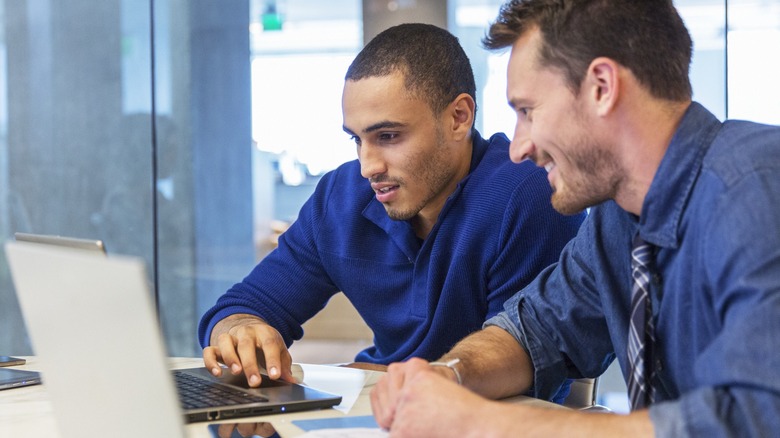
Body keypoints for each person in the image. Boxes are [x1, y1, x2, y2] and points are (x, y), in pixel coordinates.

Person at [370, 1, 780, 436]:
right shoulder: (618, 216)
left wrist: (480, 422)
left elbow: (755, 415)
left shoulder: (753, 186)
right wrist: (448, 375)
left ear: (602, 86)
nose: (517, 147)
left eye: (527, 111)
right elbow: (537, 330)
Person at [198, 22, 584, 401]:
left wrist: (388, 381)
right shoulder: (341, 196)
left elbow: (524, 362)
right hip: (373, 409)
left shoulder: (529, 192)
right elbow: (243, 305)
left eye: (388, 136)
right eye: (357, 139)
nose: (368, 166)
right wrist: (240, 330)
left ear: (458, 118)